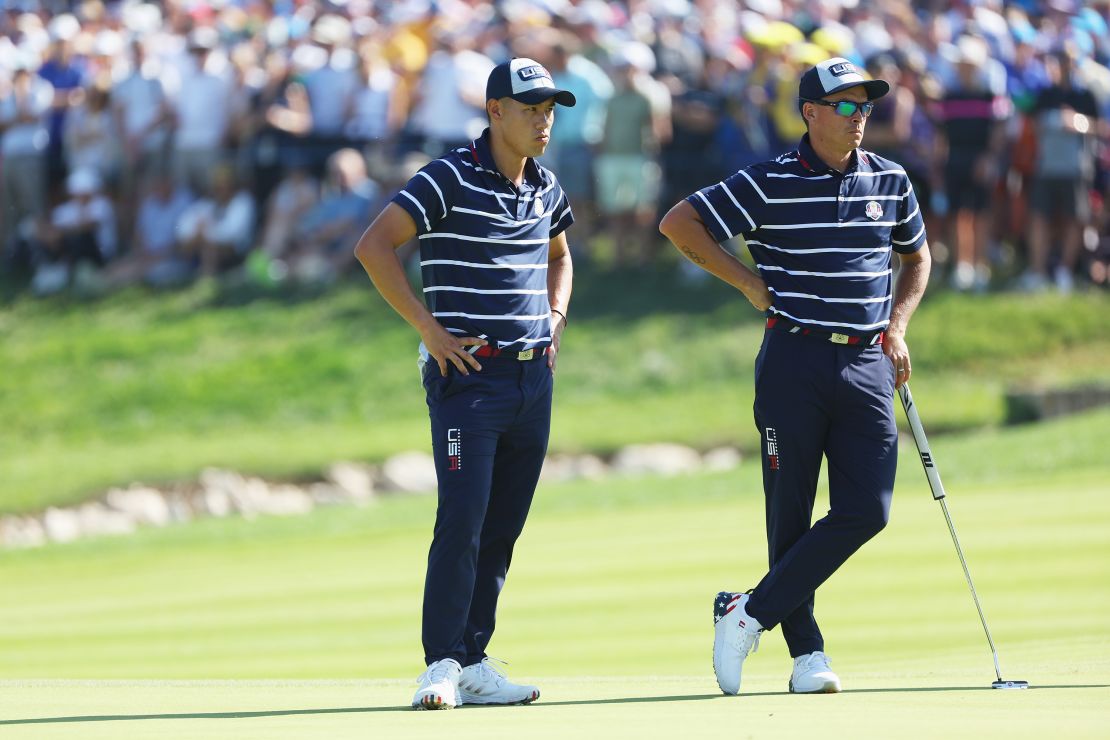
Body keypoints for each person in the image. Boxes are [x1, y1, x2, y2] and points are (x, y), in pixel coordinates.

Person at [659, 57, 931, 696]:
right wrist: (748, 283)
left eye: (865, 105)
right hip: (794, 360)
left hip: (866, 361)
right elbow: (679, 223)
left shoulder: (890, 180)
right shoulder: (770, 179)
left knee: (868, 508)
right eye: (844, 105)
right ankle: (806, 653)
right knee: (790, 510)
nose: (858, 115)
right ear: (809, 112)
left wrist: (898, 324)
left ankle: (747, 611)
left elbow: (915, 257)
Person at [353, 58, 575, 710]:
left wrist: (556, 319)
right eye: (529, 108)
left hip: (534, 378)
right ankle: (441, 662)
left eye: (549, 109)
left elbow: (561, 256)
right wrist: (427, 328)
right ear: (495, 111)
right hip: (468, 380)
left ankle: (474, 658)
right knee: (463, 523)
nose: (543, 120)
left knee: (502, 528)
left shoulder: (545, 186)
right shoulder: (448, 176)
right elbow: (375, 245)